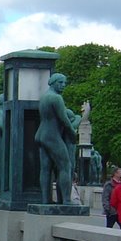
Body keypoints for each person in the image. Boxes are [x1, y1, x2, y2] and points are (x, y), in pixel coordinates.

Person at [35, 73, 77, 204]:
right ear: (53, 83)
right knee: (65, 166)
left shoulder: (43, 97)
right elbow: (63, 118)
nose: (63, 85)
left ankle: (45, 199)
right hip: (52, 135)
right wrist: (71, 132)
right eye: (60, 82)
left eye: (64, 83)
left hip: (41, 134)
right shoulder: (56, 98)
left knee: (45, 168)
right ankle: (66, 200)